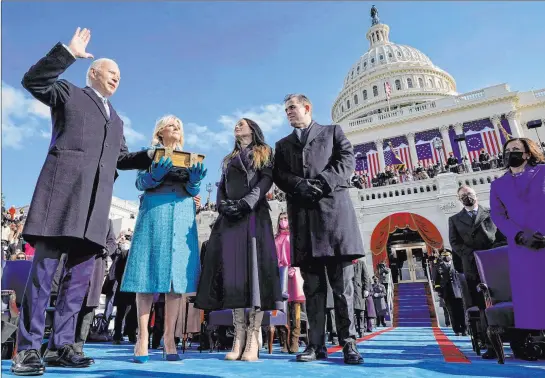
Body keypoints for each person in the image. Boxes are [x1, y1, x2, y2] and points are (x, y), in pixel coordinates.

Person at [11, 28, 152, 376]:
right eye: (111, 70)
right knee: (44, 277)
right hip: (61, 199)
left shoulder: (116, 119)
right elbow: (34, 80)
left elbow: (120, 158)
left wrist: (150, 156)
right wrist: (68, 52)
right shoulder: (68, 93)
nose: (117, 75)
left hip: (94, 210)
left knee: (77, 284)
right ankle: (27, 349)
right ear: (93, 73)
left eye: (120, 73)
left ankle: (62, 346)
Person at [273, 93, 364, 364]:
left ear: (307, 107)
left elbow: (346, 162)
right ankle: (315, 345)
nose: (288, 112)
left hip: (334, 220)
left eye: (292, 107)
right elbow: (279, 175)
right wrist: (298, 184)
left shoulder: (332, 132)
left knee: (342, 290)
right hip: (304, 223)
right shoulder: (282, 144)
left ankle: (349, 344)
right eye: (286, 109)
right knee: (313, 291)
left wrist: (323, 182)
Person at [195, 118, 283, 362]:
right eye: (236, 124)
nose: (237, 126)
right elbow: (221, 185)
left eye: (242, 123)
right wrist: (223, 205)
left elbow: (266, 179)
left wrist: (247, 202)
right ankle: (238, 335)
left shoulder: (264, 152)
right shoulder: (228, 158)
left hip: (253, 215)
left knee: (253, 274)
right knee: (234, 277)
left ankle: (253, 336)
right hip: (231, 219)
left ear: (253, 129)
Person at [120, 114, 207, 363]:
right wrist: (154, 176)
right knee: (146, 276)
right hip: (154, 213)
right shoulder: (150, 155)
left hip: (181, 214)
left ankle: (170, 338)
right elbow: (139, 183)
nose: (176, 128)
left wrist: (195, 181)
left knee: (176, 280)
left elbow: (192, 191)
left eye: (179, 125)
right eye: (171, 125)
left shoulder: (190, 157)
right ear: (160, 132)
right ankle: (142, 337)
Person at [489, 137, 545, 331]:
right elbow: (498, 216)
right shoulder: (497, 185)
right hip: (522, 246)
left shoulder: (543, 172)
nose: (510, 153)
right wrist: (519, 235)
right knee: (531, 295)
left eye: (515, 149)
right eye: (507, 150)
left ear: (527, 153)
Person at [43, 220, 118, 363]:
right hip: (74, 265)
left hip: (96, 267)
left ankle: (78, 348)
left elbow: (112, 242)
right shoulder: (79, 215)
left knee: (88, 310)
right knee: (68, 305)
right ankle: (60, 347)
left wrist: (104, 250)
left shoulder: (106, 221)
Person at [275, 212, 305, 354]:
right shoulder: (275, 239)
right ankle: (284, 342)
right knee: (282, 310)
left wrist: (294, 266)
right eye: (281, 219)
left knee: (296, 310)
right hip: (280, 276)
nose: (283, 221)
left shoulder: (294, 237)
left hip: (294, 274)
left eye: (286, 218)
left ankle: (294, 341)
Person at [433, 250, 467, 336]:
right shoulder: (438, 266)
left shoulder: (457, 264)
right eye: (444, 256)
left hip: (458, 291)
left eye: (447, 255)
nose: (446, 257)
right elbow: (436, 280)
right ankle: (457, 330)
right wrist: (439, 291)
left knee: (461, 311)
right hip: (447, 293)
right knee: (452, 312)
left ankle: (464, 329)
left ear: (450, 256)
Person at [353, 258, 371, 338]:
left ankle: (361, 330)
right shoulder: (347, 263)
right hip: (349, 291)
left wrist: (366, 289)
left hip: (359, 291)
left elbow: (366, 277)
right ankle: (353, 331)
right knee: (350, 312)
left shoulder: (361, 263)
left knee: (360, 312)